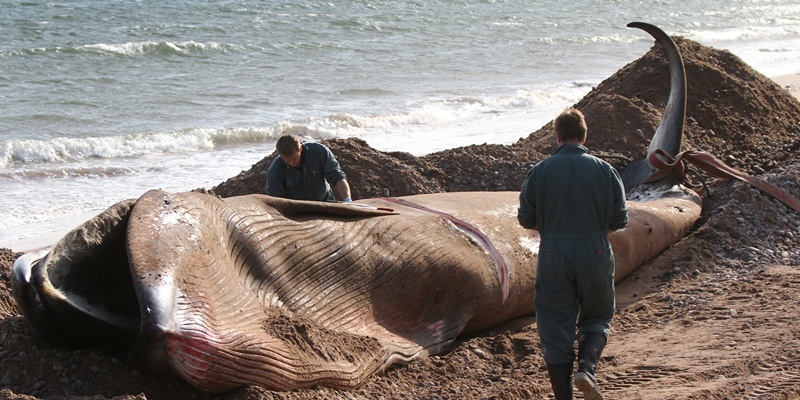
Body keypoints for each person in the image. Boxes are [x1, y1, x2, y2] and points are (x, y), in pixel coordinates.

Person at [517, 108, 628, 400]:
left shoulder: (540, 171)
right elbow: (620, 220)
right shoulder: (606, 170)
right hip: (596, 248)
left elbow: (526, 219)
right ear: (584, 135)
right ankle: (587, 370)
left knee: (554, 325)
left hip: (554, 251)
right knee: (598, 315)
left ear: (557, 136)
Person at [266, 134, 352, 202]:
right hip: (296, 210)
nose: (292, 163)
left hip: (325, 203)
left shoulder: (319, 152)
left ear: (300, 149)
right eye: (287, 161)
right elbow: (275, 198)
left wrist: (348, 200)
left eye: (294, 158)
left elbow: (337, 176)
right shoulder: (275, 170)